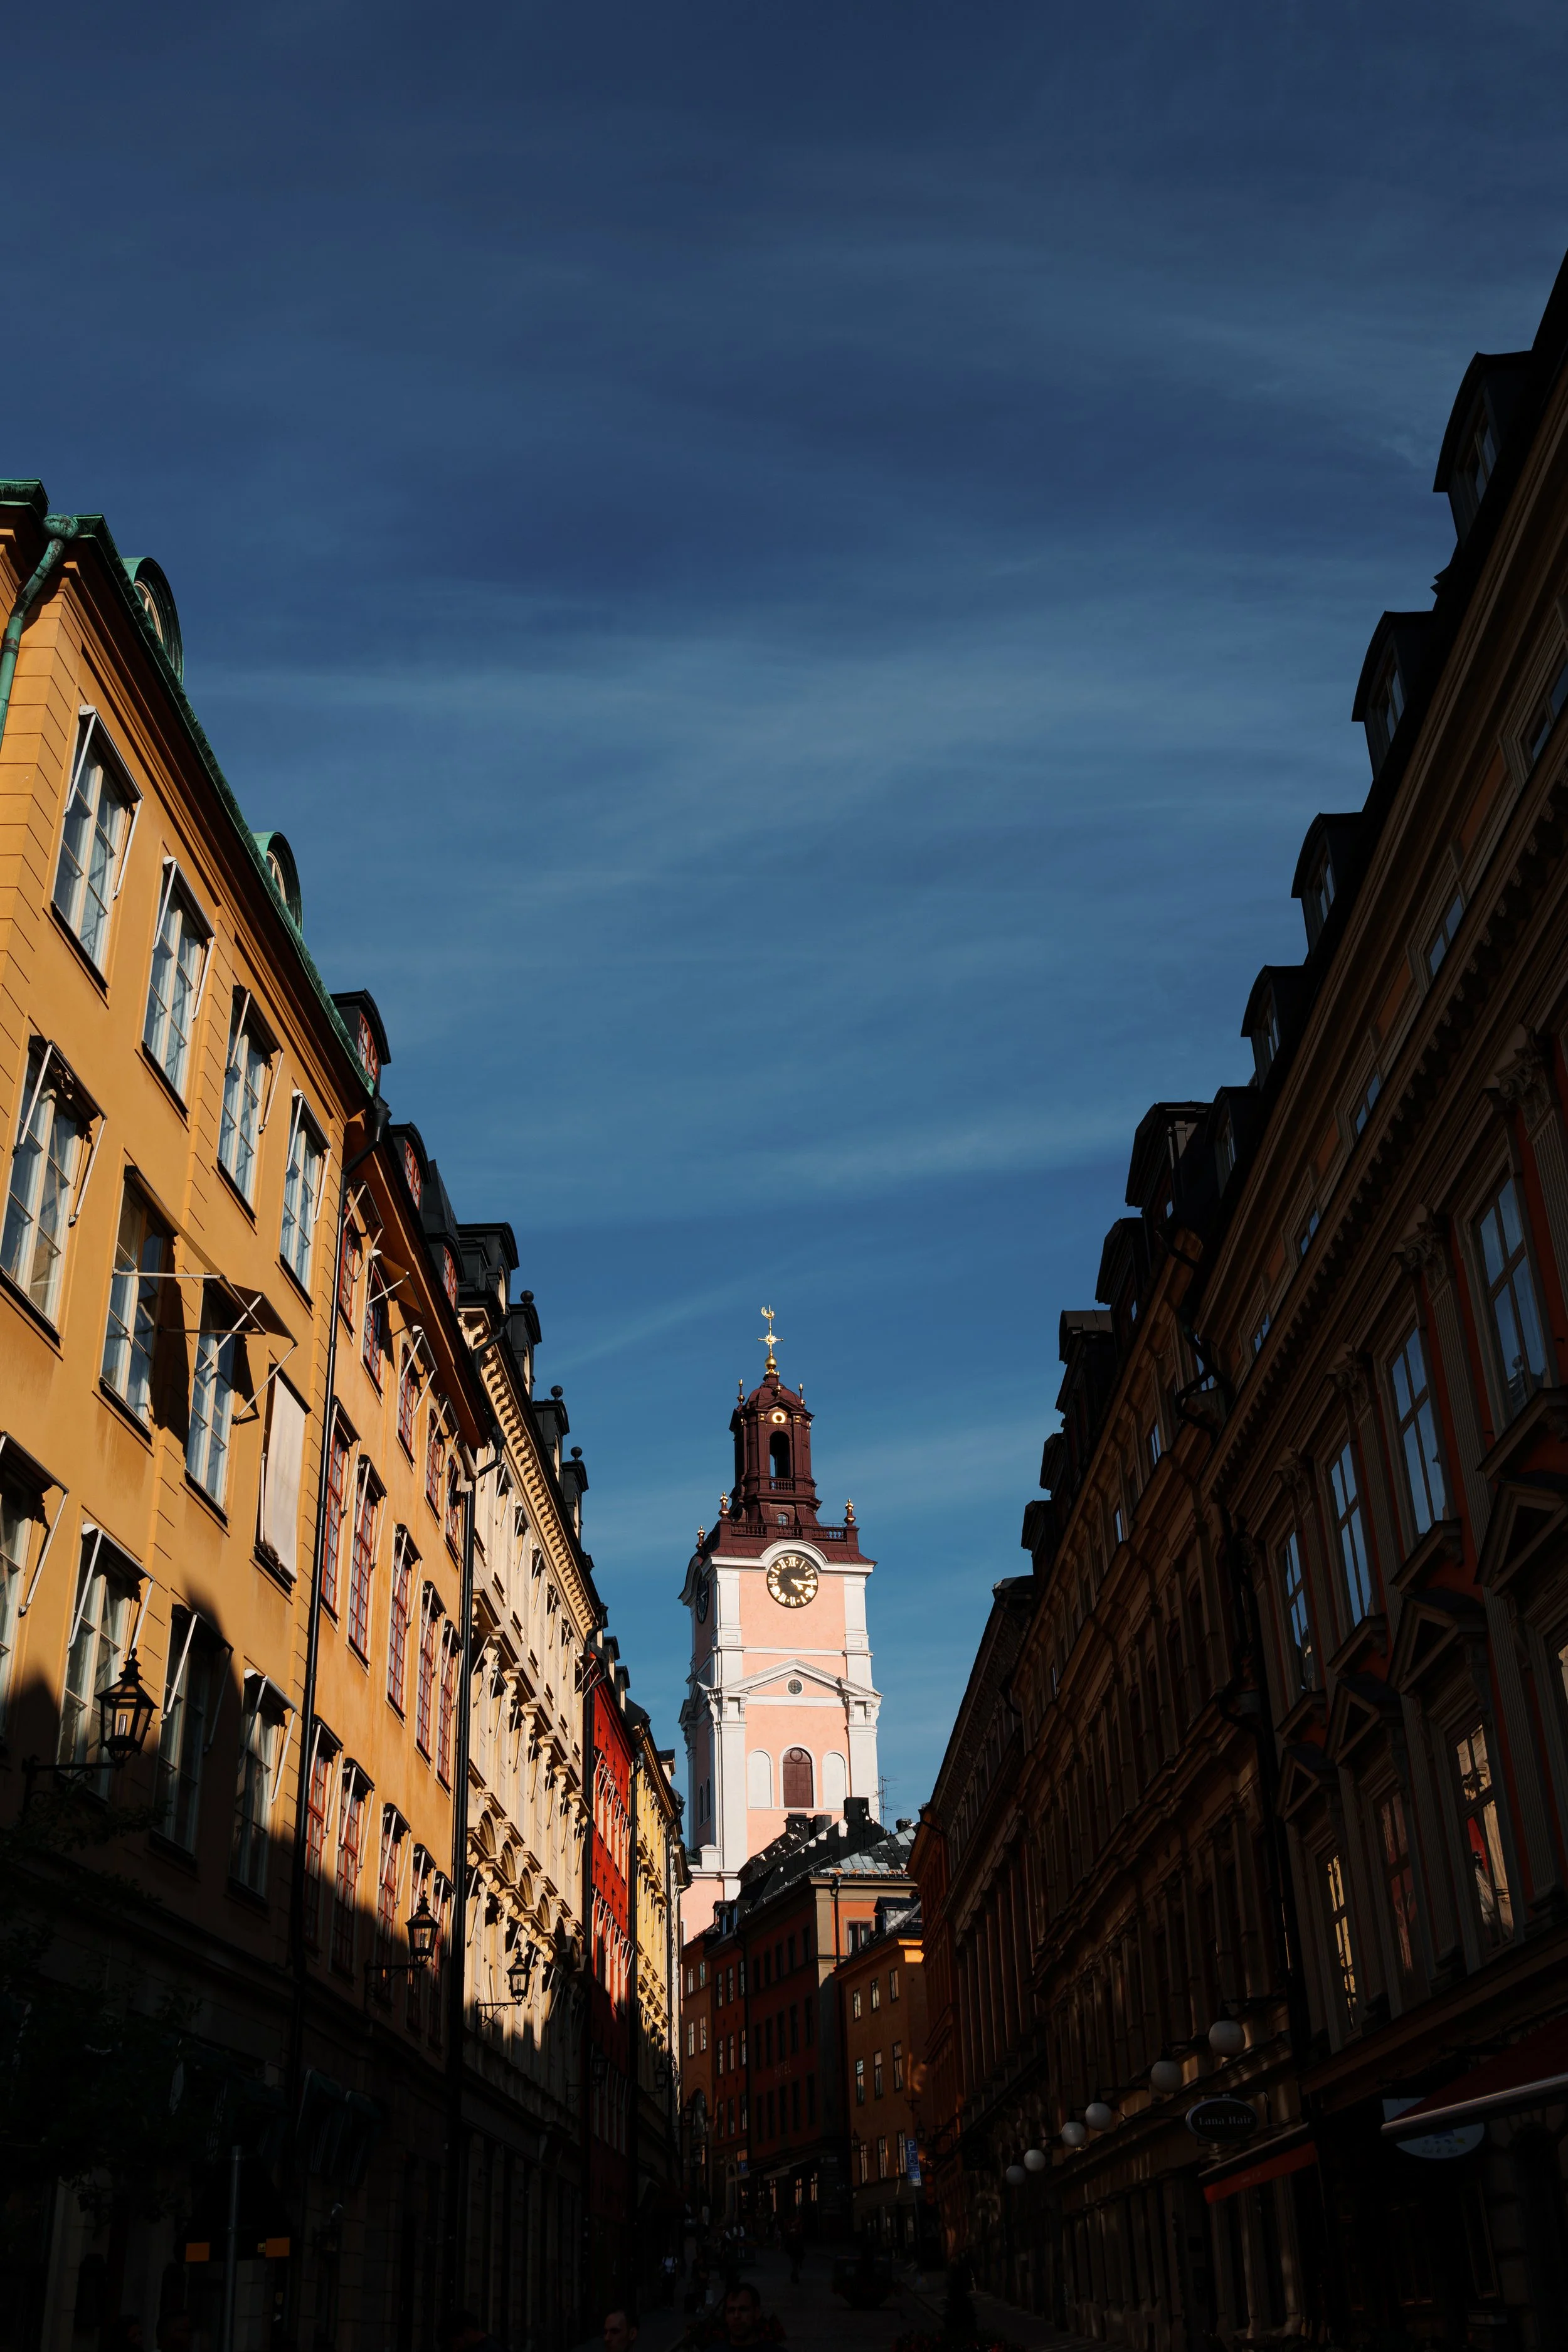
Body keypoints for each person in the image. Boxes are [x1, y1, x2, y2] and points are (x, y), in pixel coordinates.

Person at [781, 2220, 804, 2284]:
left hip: (796, 2253)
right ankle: (795, 2277)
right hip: (794, 2254)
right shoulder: (795, 2237)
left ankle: (794, 2276)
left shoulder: (796, 2237)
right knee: (795, 2266)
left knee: (795, 2266)